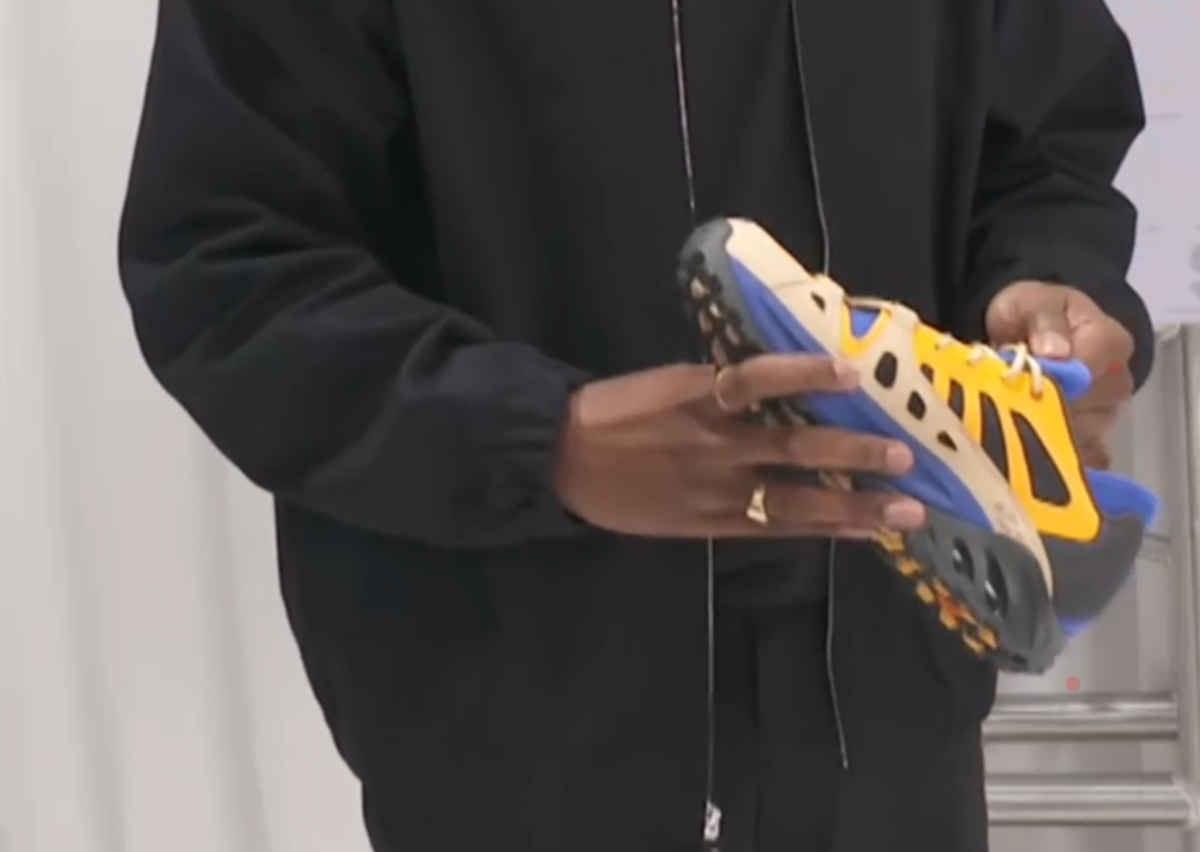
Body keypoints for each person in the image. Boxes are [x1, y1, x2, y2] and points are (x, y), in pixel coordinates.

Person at [118, 0, 1154, 848]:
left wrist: (1049, 285)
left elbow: (1048, 139)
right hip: (521, 738)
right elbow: (228, 264)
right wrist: (547, 440)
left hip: (894, 713)